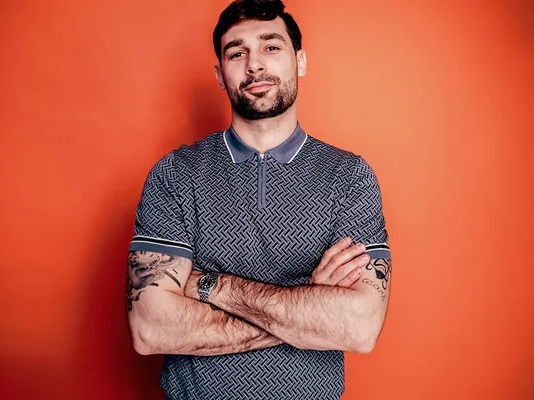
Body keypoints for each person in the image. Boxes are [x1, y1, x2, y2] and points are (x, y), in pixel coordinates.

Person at [126, 0, 392, 398]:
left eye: (271, 46)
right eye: (237, 53)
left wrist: (212, 286)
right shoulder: (175, 174)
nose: (254, 65)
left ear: (299, 61)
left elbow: (360, 327)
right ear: (221, 75)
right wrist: (307, 306)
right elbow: (150, 328)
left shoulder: (349, 177)